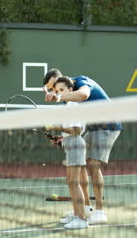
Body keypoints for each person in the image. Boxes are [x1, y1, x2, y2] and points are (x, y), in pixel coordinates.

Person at [43, 69, 122, 224]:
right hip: (92, 127)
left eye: (55, 86)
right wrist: (63, 137)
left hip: (108, 124)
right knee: (81, 164)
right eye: (51, 89)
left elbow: (84, 95)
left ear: (61, 79)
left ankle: (100, 212)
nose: (54, 91)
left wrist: (59, 96)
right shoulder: (68, 100)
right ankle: (86, 208)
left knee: (93, 164)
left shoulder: (80, 82)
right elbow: (79, 124)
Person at [45, 76, 88, 229]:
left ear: (70, 90)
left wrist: (58, 128)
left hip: (76, 144)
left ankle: (82, 219)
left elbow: (76, 130)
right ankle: (76, 214)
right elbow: (71, 132)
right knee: (70, 182)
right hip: (71, 143)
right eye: (57, 91)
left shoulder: (73, 106)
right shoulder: (68, 107)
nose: (59, 93)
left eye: (62, 90)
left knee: (74, 182)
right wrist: (60, 138)